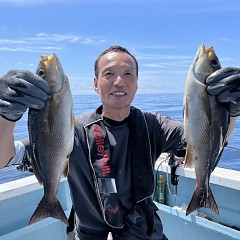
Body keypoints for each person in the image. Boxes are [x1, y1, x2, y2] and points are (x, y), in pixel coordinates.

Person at [0, 46, 240, 240]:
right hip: (90, 235)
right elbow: (6, 159)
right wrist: (6, 115)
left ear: (137, 83)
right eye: (108, 74)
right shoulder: (70, 130)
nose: (119, 82)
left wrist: (229, 112)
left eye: (128, 75)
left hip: (145, 234)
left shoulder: (153, 125)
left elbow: (205, 143)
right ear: (95, 84)